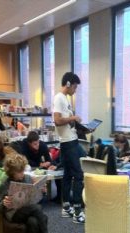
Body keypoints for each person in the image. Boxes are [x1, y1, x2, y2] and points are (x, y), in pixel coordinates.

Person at [0, 153, 62, 233]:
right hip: (14, 214)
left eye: (22, 170)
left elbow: (34, 197)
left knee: (33, 221)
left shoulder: (27, 178)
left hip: (28, 210)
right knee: (37, 209)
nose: (22, 174)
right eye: (19, 172)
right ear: (11, 172)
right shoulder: (6, 183)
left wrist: (41, 192)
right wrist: (4, 204)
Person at [53, 72, 85, 224]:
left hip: (69, 139)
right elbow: (57, 121)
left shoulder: (64, 99)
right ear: (68, 84)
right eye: (75, 86)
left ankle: (66, 207)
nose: (75, 90)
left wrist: (80, 128)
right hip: (68, 142)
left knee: (67, 175)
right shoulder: (59, 98)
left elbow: (65, 123)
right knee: (78, 175)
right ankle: (78, 212)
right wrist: (73, 118)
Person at [20, 131, 62, 202]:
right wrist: (39, 164)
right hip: (29, 166)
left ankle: (59, 197)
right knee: (30, 175)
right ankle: (36, 196)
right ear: (29, 143)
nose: (37, 145)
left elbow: (49, 159)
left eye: (38, 143)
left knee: (56, 171)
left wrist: (49, 163)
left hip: (40, 165)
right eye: (35, 144)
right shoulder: (24, 145)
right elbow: (25, 159)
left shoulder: (42, 145)